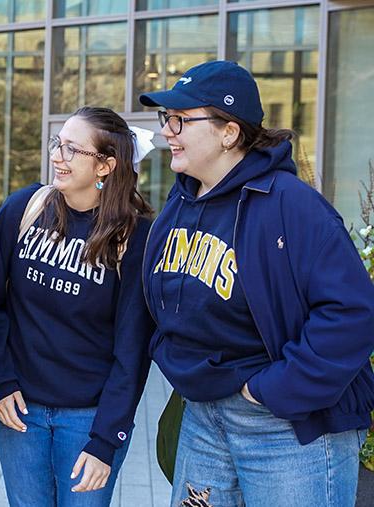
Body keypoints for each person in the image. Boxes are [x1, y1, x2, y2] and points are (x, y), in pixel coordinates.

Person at [139, 60, 374, 506]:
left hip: (287, 427)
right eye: (166, 119)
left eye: (181, 120)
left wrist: (270, 390)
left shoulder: (293, 206)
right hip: (203, 417)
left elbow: (353, 313)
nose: (168, 131)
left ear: (229, 133)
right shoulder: (182, 201)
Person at [0, 107, 155, 507]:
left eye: (72, 150)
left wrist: (105, 440)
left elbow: (132, 351)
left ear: (106, 165)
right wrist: (2, 381)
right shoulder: (23, 210)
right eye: (57, 145)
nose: (57, 157)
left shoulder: (135, 238)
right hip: (19, 412)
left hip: (88, 419)